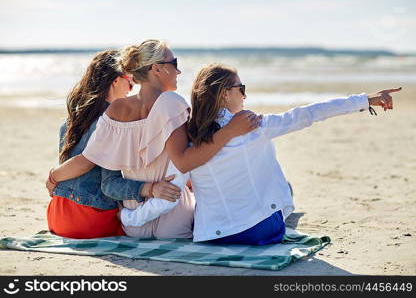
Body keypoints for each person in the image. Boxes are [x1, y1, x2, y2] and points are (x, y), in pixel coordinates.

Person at [121, 63, 400, 246]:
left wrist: (129, 220)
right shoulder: (254, 126)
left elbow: (173, 189)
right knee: (282, 188)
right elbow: (308, 114)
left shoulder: (191, 137)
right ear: (223, 95)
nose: (245, 96)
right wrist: (366, 100)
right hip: (261, 232)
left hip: (214, 238)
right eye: (241, 89)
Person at [47, 40, 262, 239]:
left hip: (131, 224)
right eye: (174, 63)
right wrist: (230, 130)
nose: (178, 71)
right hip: (169, 216)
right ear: (156, 68)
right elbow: (187, 162)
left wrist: (54, 177)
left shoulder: (113, 110)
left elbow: (106, 182)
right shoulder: (172, 103)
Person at [46, 49, 182, 239]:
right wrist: (150, 188)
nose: (131, 88)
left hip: (57, 217)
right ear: (116, 81)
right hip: (90, 221)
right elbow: (109, 185)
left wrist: (53, 177)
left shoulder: (72, 122)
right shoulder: (113, 122)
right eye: (130, 81)